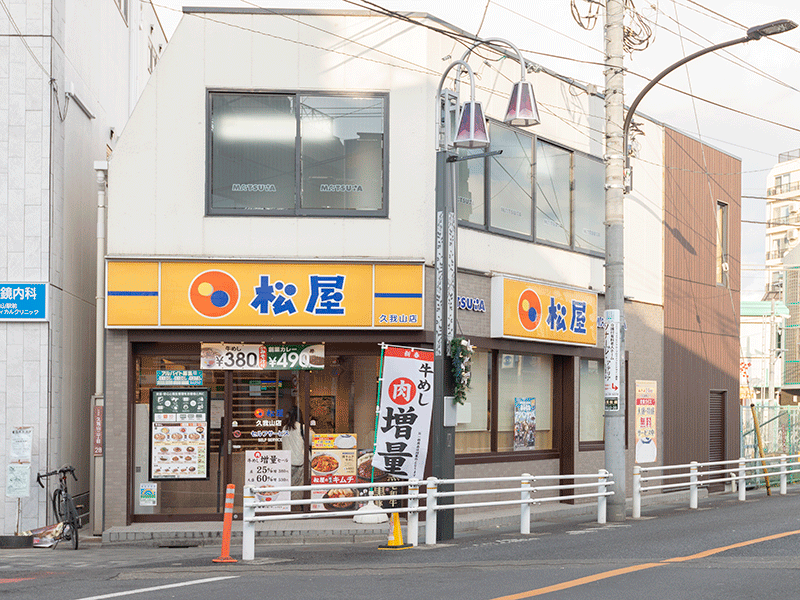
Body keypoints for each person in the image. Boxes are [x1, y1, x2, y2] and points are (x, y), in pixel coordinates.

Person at [280, 406, 312, 501]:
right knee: (300, 488)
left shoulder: (284, 428)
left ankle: (289, 506)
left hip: (287, 462)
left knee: (289, 486)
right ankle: (298, 507)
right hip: (301, 463)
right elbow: (314, 440)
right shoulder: (302, 428)